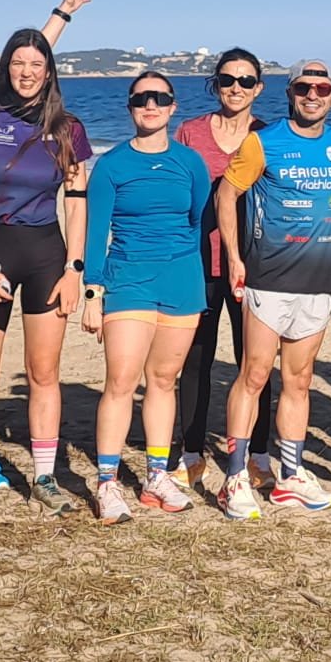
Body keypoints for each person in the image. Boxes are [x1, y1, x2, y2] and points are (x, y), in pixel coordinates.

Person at [0, 28, 93, 524]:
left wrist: (74, 269)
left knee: (44, 373)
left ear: (48, 72)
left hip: (46, 254)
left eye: (35, 65)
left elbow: (76, 203)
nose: (26, 73)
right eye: (18, 64)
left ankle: (44, 479)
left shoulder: (67, 128)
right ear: (7, 69)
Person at [80, 71, 213, 524]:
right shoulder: (112, 165)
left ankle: (157, 476)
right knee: (121, 381)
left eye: (159, 98)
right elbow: (96, 231)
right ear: (130, 107)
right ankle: (107, 482)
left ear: (173, 106)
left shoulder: (190, 162)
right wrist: (93, 291)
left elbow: (198, 220)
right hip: (128, 279)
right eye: (141, 99)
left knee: (163, 380)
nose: (150, 105)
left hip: (181, 280)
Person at [218, 60, 331, 519]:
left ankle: (290, 476)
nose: (313, 95)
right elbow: (227, 194)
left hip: (318, 282)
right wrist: (234, 257)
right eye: (303, 88)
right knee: (254, 376)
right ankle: (235, 477)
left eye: (322, 88)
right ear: (290, 93)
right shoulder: (263, 141)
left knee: (299, 380)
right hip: (268, 278)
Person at [174, 46, 274, 493]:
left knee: (255, 363)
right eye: (228, 80)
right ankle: (192, 452)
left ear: (259, 88)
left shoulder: (268, 136)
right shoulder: (191, 132)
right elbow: (176, 196)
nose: (236, 88)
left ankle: (258, 454)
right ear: (216, 84)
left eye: (246, 81)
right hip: (200, 264)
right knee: (196, 359)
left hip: (255, 267)